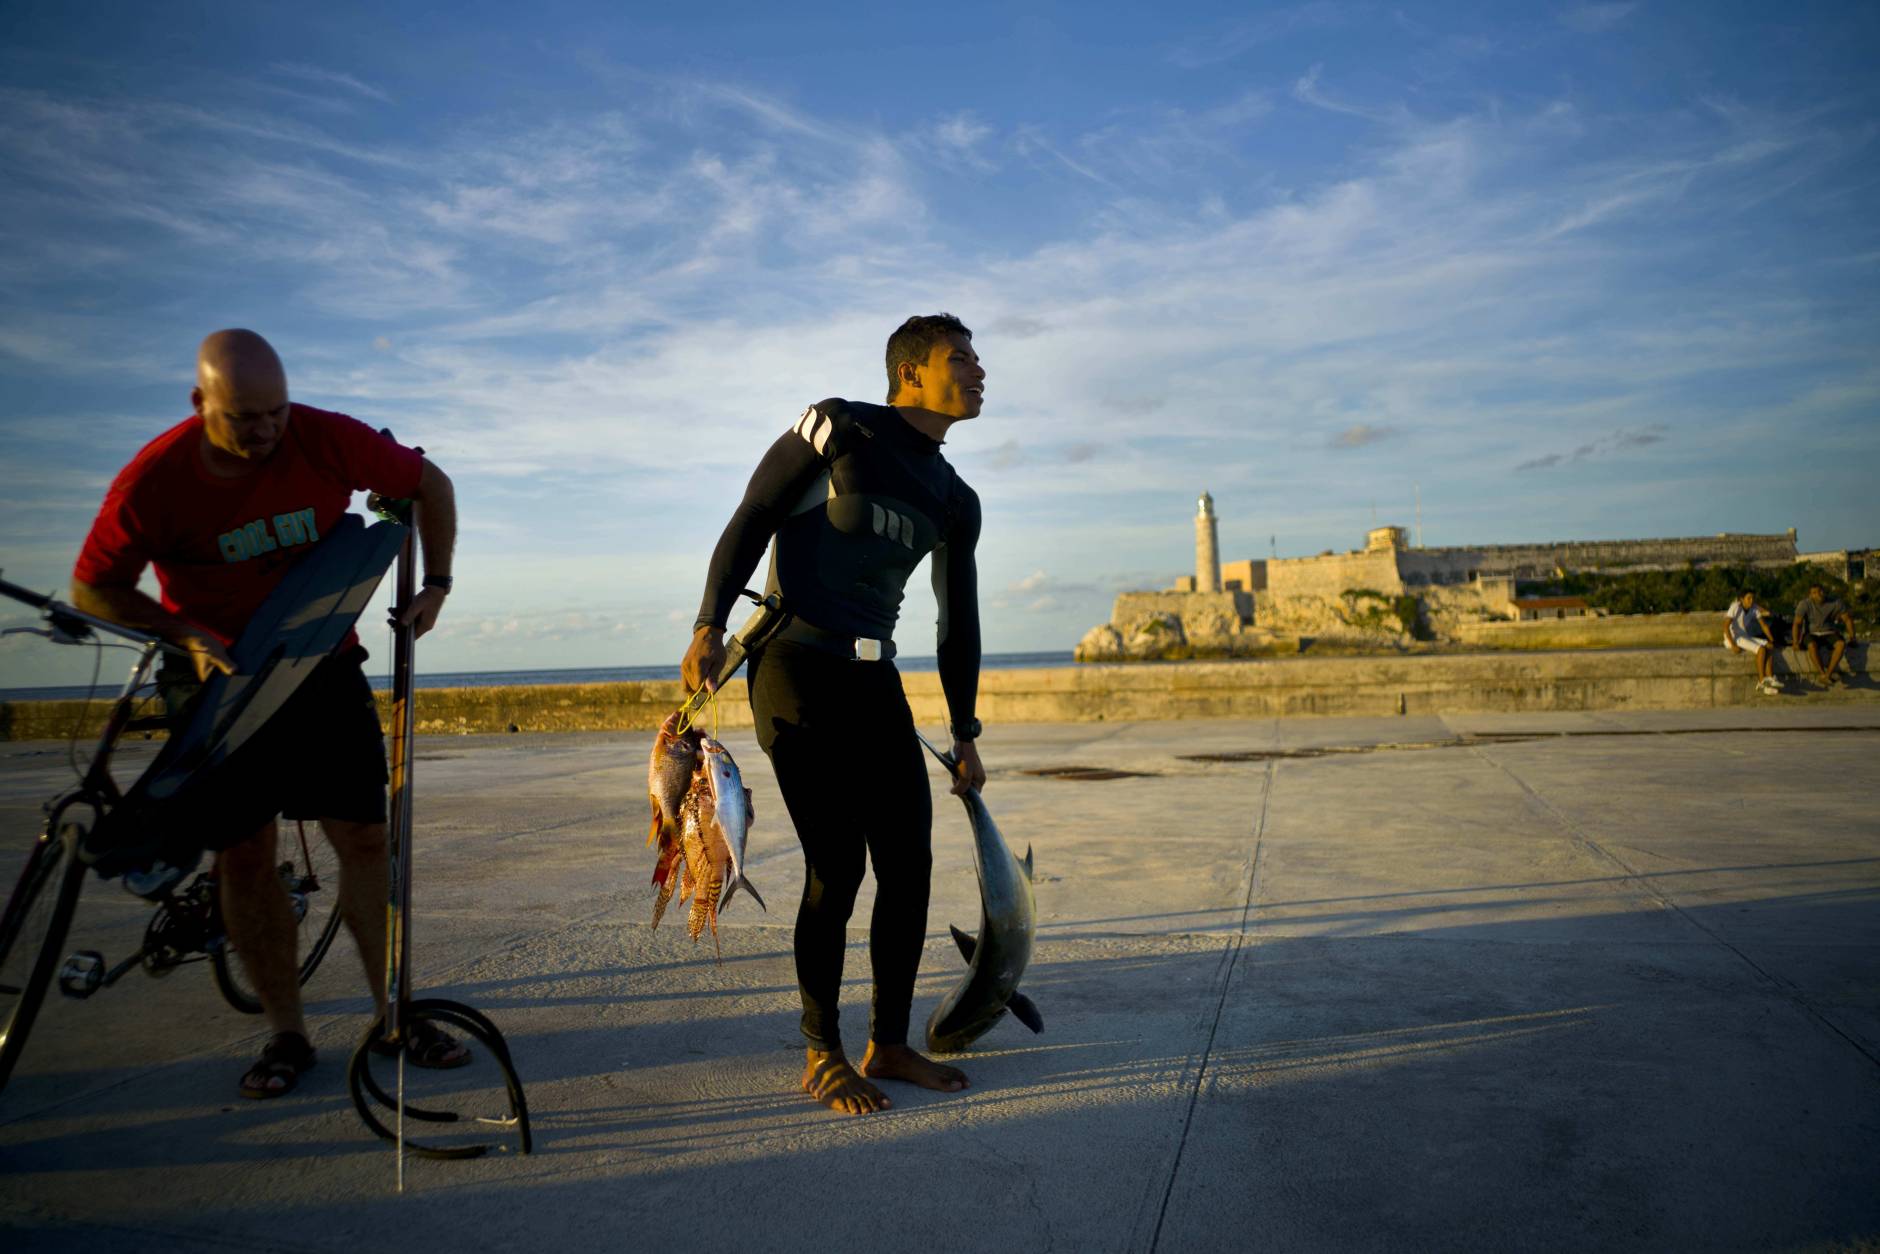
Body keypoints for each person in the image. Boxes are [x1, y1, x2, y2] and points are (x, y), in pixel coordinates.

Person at [72, 329, 468, 1098]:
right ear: (201, 403)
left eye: (274, 414)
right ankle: (286, 1033)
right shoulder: (153, 481)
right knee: (245, 853)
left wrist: (439, 583)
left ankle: (395, 1012)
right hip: (218, 681)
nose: (263, 431)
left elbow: (431, 484)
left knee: (363, 836)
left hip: (322, 662)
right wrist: (177, 629)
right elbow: (95, 588)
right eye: (243, 417)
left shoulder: (322, 437)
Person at [681, 313, 987, 1115]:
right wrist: (708, 624)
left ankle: (887, 1043)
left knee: (909, 863)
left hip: (873, 679)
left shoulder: (956, 498)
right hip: (793, 663)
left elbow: (958, 621)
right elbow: (751, 514)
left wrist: (964, 733)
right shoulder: (840, 426)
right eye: (962, 358)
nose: (980, 370)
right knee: (838, 864)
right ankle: (822, 1051)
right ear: (911, 373)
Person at [1791, 584, 1857, 688]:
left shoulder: (1835, 602)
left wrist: (1853, 638)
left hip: (1829, 632)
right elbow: (1797, 623)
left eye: (1820, 591)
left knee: (1841, 644)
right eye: (1815, 593)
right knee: (1812, 645)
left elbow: (1847, 619)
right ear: (1810, 595)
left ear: (1824, 592)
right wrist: (1795, 642)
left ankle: (1827, 674)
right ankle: (1822, 673)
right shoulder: (1805, 604)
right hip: (1811, 633)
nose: (1818, 594)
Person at [1724, 591, 1783, 695]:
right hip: (1734, 637)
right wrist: (1733, 645)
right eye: (1749, 598)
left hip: (1744, 635)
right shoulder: (1735, 607)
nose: (1751, 600)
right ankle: (1761, 681)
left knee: (1768, 646)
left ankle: (1769, 679)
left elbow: (1764, 626)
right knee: (1761, 649)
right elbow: (1725, 626)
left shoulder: (1754, 608)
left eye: (1753, 598)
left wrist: (1772, 640)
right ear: (1742, 599)